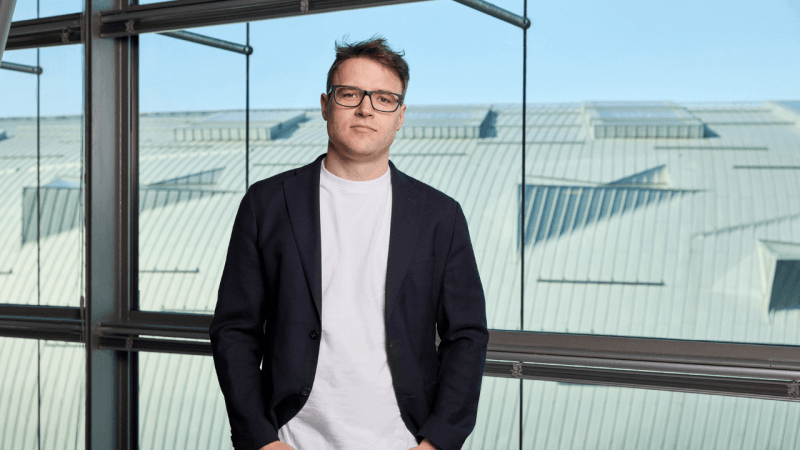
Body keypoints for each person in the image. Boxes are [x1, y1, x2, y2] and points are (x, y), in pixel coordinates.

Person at [210, 36, 489, 450]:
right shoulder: (266, 204)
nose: (366, 108)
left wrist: (438, 441)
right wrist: (261, 439)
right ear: (326, 105)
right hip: (290, 439)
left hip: (403, 440)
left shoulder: (439, 215)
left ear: (400, 116)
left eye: (384, 99)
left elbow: (466, 335)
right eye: (350, 94)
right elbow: (234, 330)